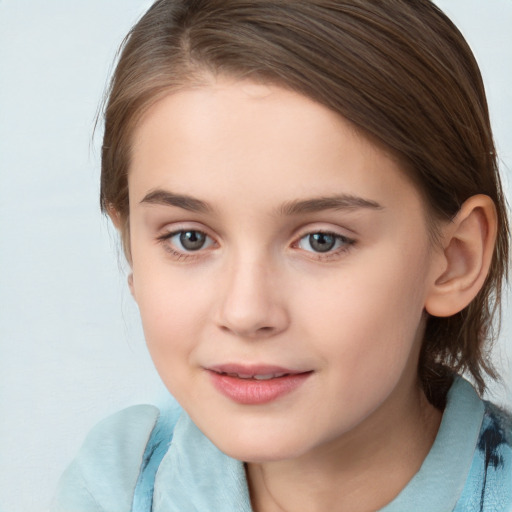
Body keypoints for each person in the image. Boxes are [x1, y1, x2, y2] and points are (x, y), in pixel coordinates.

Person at [51, 0, 512, 510]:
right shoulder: (117, 484)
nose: (246, 312)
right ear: (131, 247)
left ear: (454, 259)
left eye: (322, 240)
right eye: (190, 238)